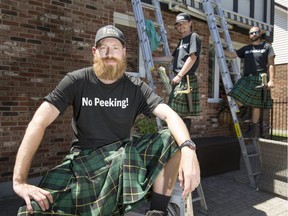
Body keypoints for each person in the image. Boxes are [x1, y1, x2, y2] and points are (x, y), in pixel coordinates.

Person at [13, 25, 200, 216]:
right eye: (104, 48)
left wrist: (188, 149)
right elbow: (38, 122)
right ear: (94, 51)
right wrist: (19, 182)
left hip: (122, 159)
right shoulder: (76, 81)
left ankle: (158, 212)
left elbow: (170, 115)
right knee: (35, 208)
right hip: (83, 162)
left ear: (124, 52)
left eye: (115, 48)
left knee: (171, 138)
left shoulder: (136, 87)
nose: (109, 54)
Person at [153, 12, 201, 133]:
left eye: (183, 23)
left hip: (186, 78)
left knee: (178, 112)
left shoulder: (193, 37)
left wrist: (180, 75)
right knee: (181, 113)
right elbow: (171, 58)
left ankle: (183, 141)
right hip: (181, 78)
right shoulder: (182, 41)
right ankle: (181, 141)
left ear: (190, 23)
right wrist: (153, 59)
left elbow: (193, 57)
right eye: (178, 25)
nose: (181, 26)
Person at [224, 26, 275, 137]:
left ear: (260, 33)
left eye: (255, 32)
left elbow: (271, 64)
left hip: (260, 78)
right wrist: (220, 50)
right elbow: (233, 55)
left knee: (256, 105)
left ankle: (253, 127)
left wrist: (271, 80)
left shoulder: (267, 47)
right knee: (234, 94)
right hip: (247, 78)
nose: (253, 35)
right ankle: (246, 112)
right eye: (251, 33)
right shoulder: (246, 48)